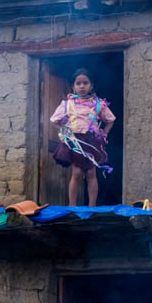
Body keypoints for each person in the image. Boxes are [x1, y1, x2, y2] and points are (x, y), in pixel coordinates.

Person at [50, 67, 116, 207]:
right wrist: (65, 132)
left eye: (85, 83)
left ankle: (92, 206)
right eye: (78, 83)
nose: (81, 86)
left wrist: (104, 133)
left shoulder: (98, 104)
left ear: (91, 85)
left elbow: (110, 120)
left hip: (92, 142)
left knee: (91, 173)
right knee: (77, 172)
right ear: (73, 86)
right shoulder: (67, 104)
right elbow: (54, 120)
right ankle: (72, 205)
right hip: (76, 142)